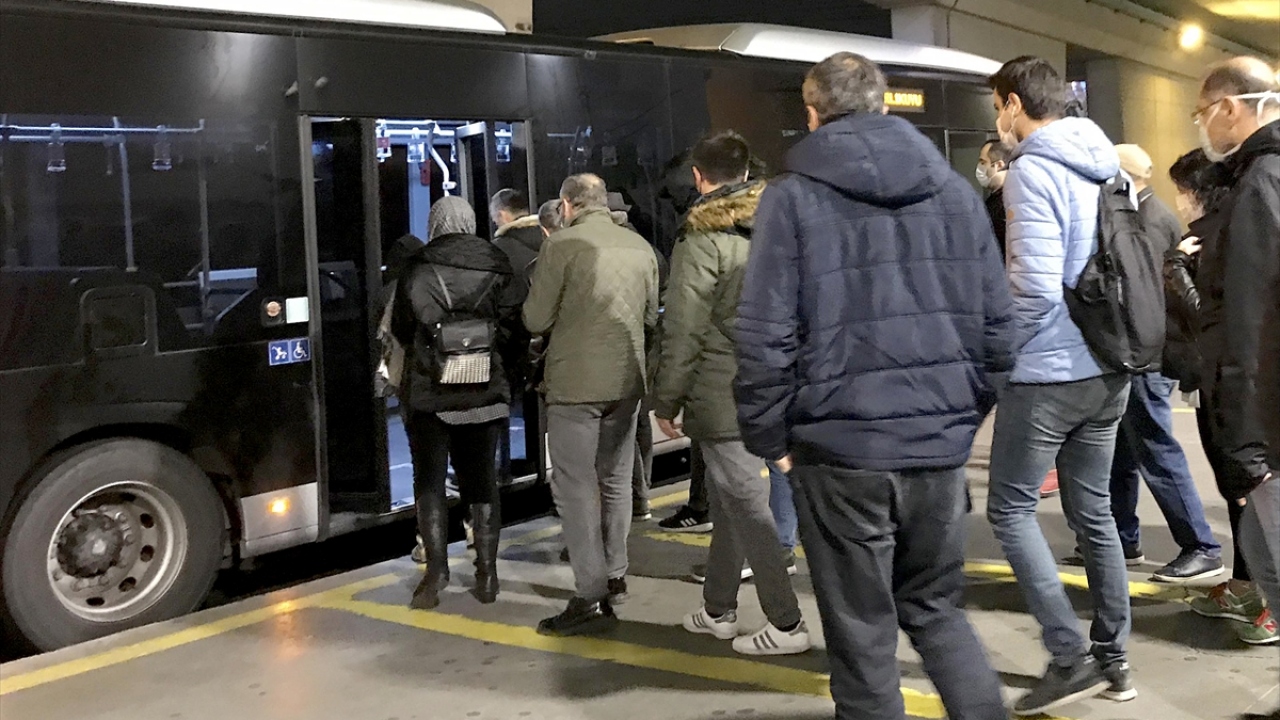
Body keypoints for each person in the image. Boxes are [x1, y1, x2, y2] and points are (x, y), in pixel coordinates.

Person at [736, 52, 1014, 718]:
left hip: (840, 452)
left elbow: (764, 335)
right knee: (938, 612)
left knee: (862, 639)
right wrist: (959, 419)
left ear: (812, 112)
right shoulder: (952, 191)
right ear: (885, 105)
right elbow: (999, 330)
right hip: (936, 451)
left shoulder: (791, 197)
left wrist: (769, 436)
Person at [983, 56, 1134, 715]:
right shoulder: (1111, 164)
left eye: (997, 106)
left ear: (1014, 104)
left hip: (1049, 372)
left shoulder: (1032, 171)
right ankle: (1114, 659)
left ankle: (1068, 657)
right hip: (1111, 364)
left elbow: (1035, 292)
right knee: (1093, 511)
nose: (997, 119)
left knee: (1010, 510)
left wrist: (994, 357)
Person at [653, 131, 811, 656]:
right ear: (746, 173)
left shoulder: (701, 239)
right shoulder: (778, 227)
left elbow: (684, 328)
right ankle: (718, 610)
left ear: (700, 177)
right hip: (777, 383)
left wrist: (667, 398)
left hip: (724, 393)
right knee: (729, 503)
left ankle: (787, 624)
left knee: (747, 505)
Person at [1080, 143, 1224, 584]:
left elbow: (1145, 293)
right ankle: (1123, 538)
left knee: (1156, 447)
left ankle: (1200, 544)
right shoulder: (1150, 213)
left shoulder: (1145, 219)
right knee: (1125, 448)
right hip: (1145, 352)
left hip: (1149, 355)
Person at [524, 173, 660, 636]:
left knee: (576, 487)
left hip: (575, 384)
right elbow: (648, 317)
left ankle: (589, 594)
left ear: (567, 205)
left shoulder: (561, 246)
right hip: (627, 381)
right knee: (618, 480)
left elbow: (535, 317)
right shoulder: (639, 247)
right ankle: (617, 574)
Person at [1165, 148, 1277, 646]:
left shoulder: (1221, 234)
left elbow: (1215, 319)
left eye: (1183, 192)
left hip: (1239, 389)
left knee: (1251, 498)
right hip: (1229, 384)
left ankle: (1261, 600)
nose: (1179, 202)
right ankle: (1249, 588)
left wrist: (1178, 271)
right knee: (1248, 507)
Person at [391, 196, 521, 610]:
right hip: (485, 391)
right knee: (481, 480)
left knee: (429, 482)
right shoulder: (497, 262)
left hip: (431, 395)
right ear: (469, 223)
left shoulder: (417, 265)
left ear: (435, 224)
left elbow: (401, 326)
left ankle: (435, 575)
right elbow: (517, 326)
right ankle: (487, 575)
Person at [1193, 57, 1280, 669]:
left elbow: (1253, 312)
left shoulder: (1260, 181)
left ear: (1230, 107)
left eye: (1202, 113)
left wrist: (1245, 436)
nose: (1203, 126)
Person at [977, 139, 1012, 260]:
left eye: (983, 162)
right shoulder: (994, 199)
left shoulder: (1010, 201)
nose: (979, 168)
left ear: (999, 165)